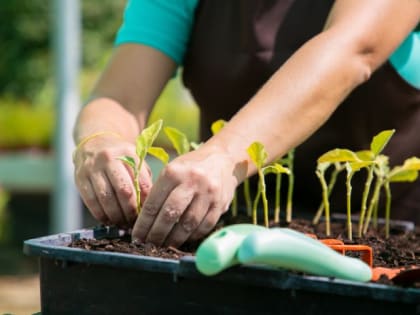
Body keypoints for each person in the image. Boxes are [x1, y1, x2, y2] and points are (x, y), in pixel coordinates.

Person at [73, 0, 420, 247]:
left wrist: (223, 156)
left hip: (386, 244)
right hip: (231, 239)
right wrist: (101, 139)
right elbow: (120, 96)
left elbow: (352, 48)